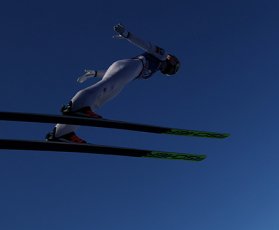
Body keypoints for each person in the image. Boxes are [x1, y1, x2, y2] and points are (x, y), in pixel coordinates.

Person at [46, 24, 180, 143]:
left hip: (128, 73)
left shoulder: (154, 69)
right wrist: (128, 35)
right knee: (104, 88)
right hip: (133, 65)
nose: (171, 58)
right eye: (173, 60)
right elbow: (147, 45)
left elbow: (112, 75)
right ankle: (78, 106)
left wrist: (95, 73)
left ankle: (62, 133)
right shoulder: (161, 55)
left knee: (99, 101)